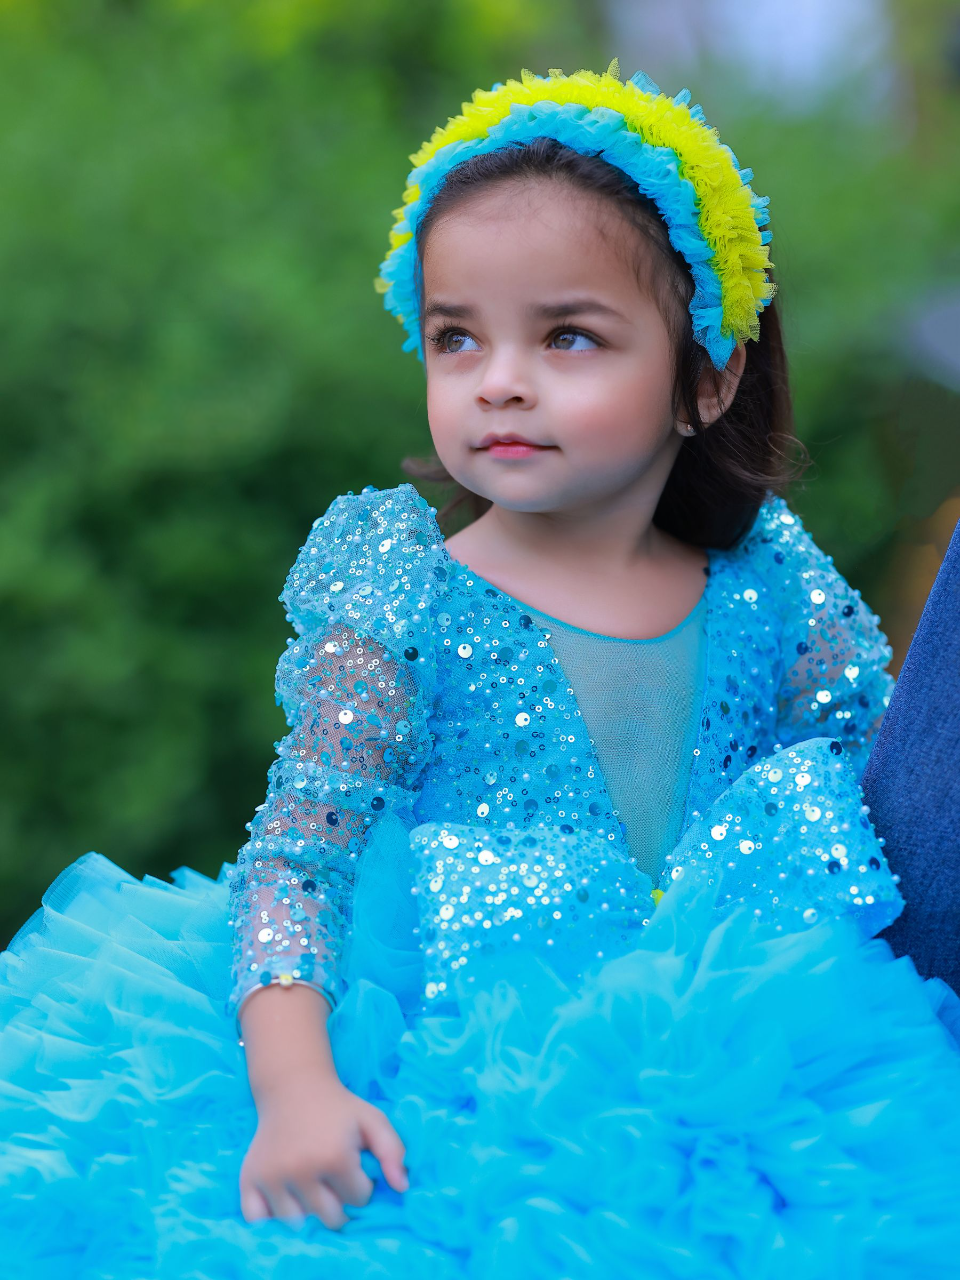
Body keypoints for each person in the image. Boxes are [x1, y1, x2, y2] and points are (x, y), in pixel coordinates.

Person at [2, 64, 959, 1279]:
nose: (499, 378)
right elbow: (297, 856)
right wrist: (298, 1091)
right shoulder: (406, 587)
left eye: (568, 335)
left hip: (733, 1077)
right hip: (456, 1063)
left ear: (706, 376)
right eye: (458, 336)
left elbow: (887, 796)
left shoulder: (770, 585)